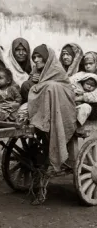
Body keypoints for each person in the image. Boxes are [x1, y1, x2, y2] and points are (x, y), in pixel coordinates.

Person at [26, 44, 77, 172]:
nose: (36, 60)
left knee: (51, 87)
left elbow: (64, 89)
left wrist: (42, 83)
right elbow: (27, 89)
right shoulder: (36, 71)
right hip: (43, 108)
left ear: (47, 58)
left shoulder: (57, 70)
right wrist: (34, 81)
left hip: (61, 106)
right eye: (34, 57)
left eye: (39, 57)